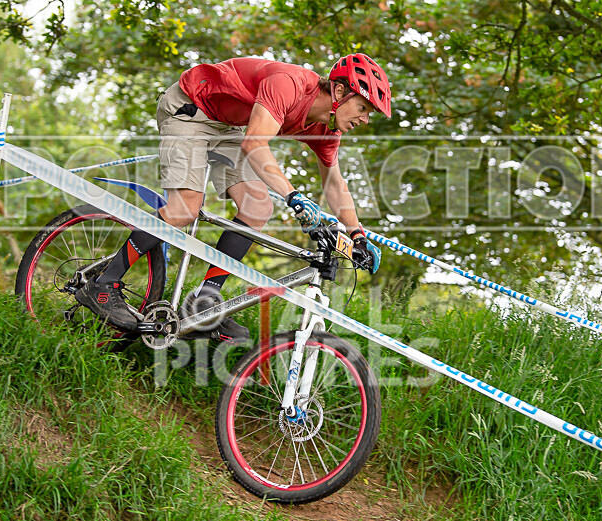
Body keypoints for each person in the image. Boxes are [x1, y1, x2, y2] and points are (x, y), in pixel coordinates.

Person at [76, 53, 391, 341]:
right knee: (185, 206)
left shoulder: (327, 130)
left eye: (370, 113)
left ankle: (203, 302)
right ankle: (104, 283)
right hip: (191, 108)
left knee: (257, 206)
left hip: (226, 125)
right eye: (363, 107)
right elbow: (255, 144)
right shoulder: (290, 85)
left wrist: (358, 235)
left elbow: (335, 185)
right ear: (338, 92)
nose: (364, 119)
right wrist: (294, 197)